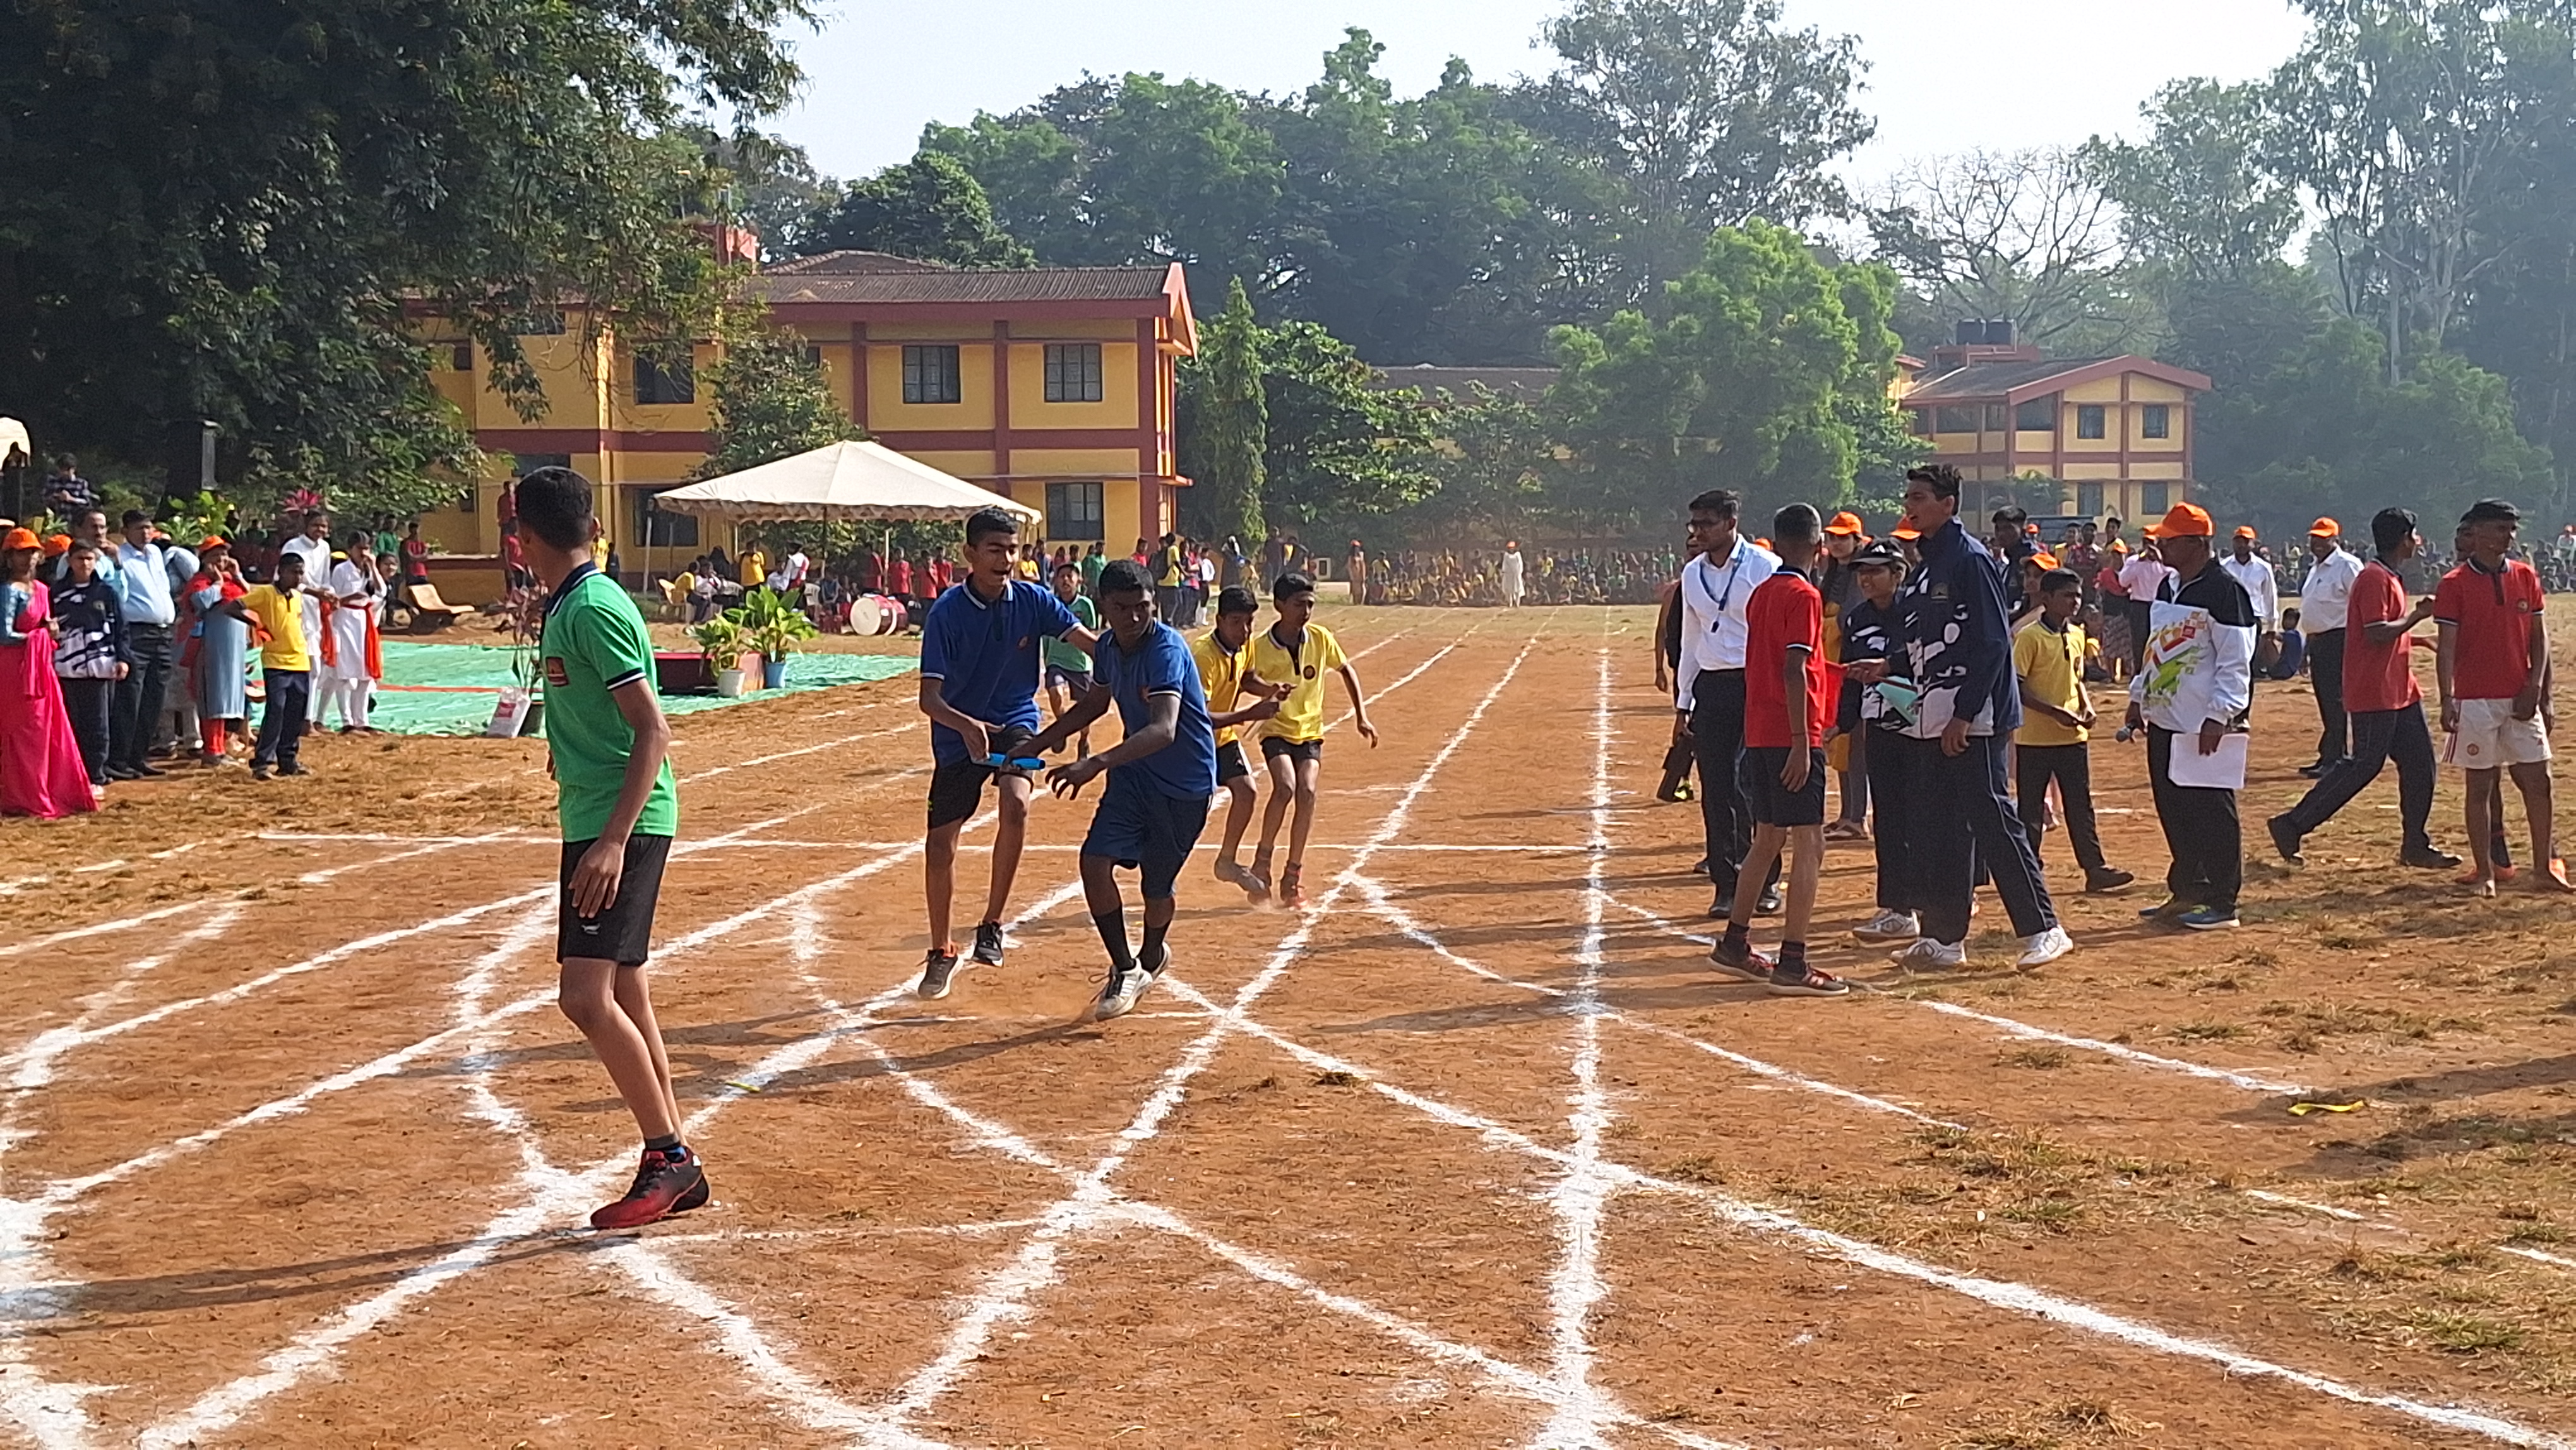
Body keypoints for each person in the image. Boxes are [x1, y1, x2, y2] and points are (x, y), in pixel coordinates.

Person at [509, 465, 702, 1230]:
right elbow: (601, 710)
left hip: (617, 823)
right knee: (626, 992)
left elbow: (653, 728)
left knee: (583, 996)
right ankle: (679, 1154)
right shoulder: (571, 605)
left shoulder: (589, 609)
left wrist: (613, 841)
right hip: (599, 815)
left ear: (524, 539)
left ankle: (666, 1155)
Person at [1869, 464, 2071, 969]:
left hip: (1972, 718)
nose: (1909, 505)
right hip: (1932, 716)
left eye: (1919, 497)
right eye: (1908, 495)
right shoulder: (1926, 564)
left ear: (1949, 504)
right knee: (1939, 825)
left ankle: (2044, 927)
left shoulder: (1969, 560)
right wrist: (1887, 666)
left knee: (1992, 819)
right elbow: (1925, 640)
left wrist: (1964, 714)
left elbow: (1991, 642)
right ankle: (1943, 937)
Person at [1023, 560, 1224, 1019]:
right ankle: (1125, 966)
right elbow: (1095, 702)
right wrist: (1035, 744)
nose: (1134, 617)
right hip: (1135, 778)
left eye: (1143, 607)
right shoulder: (1110, 647)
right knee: (1093, 862)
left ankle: (1152, 955)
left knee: (1158, 889)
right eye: (1122, 608)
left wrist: (1094, 762)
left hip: (1183, 785)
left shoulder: (1166, 649)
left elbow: (1164, 729)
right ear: (1104, 609)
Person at [914, 507, 1097, 998]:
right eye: (995, 550)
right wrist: (965, 724)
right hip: (958, 730)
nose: (1007, 560)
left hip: (1017, 721)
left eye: (1013, 550)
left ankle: (992, 924)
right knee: (940, 844)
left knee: (1016, 804)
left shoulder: (1035, 601)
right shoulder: (947, 614)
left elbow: (1091, 644)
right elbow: (929, 699)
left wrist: (1139, 658)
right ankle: (940, 950)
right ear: (970, 555)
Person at [1705, 505, 1849, 997]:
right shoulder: (1803, 595)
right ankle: (1793, 960)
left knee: (1767, 839)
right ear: (1816, 547)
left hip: (1761, 727)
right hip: (1791, 732)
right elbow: (1793, 669)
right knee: (1809, 841)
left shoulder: (1763, 592)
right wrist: (1799, 743)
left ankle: (1735, 943)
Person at [2267, 508, 2457, 871]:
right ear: (2404, 539)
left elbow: (2380, 632)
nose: (2418, 543)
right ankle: (2292, 824)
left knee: (2419, 765)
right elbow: (2375, 632)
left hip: (2399, 689)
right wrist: (2416, 617)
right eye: (2414, 536)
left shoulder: (2385, 576)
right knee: (2362, 766)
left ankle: (2415, 843)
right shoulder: (2373, 578)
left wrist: (2416, 639)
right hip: (2376, 691)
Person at [2126, 502, 2260, 930]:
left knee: (2212, 810)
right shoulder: (2167, 587)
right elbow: (2154, 647)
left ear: (2197, 544)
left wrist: (2221, 714)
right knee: (2174, 807)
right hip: (2166, 716)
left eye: (2169, 540)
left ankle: (2223, 900)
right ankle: (2188, 890)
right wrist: (2137, 697)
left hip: (2203, 722)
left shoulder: (2225, 591)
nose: (2160, 546)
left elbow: (2236, 660)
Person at [2435, 498, 2567, 895]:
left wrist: (2538, 688)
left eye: (2511, 529)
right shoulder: (2454, 585)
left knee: (2539, 780)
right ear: (2476, 533)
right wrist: (2447, 697)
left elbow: (2538, 637)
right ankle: (2486, 870)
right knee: (2480, 788)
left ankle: (2543, 867)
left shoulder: (2526, 576)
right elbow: (2446, 647)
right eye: (2499, 529)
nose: (2507, 537)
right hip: (2476, 699)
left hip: (2519, 697)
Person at [1676, 490, 1783, 917]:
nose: (1698, 532)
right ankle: (1726, 883)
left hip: (1755, 683)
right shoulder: (1691, 575)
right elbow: (1691, 639)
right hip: (1712, 686)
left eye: (1706, 524)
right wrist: (1683, 701)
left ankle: (1765, 881)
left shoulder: (1764, 568)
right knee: (1715, 787)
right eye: (1694, 524)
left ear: (1730, 522)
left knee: (1752, 785)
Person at [1247, 571, 1377, 908]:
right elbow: (1247, 680)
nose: (1306, 611)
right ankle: (1262, 861)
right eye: (1298, 604)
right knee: (1285, 787)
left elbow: (1345, 669)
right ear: (1279, 605)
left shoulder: (1319, 638)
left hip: (1310, 732)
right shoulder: (1260, 646)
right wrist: (1268, 692)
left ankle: (1293, 876)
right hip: (1277, 729)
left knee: (1307, 791)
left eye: (1310, 604)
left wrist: (1361, 716)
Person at [2013, 567, 2134, 894]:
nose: (2074, 602)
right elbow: (2017, 688)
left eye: (2077, 596)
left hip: (2071, 736)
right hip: (2035, 738)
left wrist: (2086, 706)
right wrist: (2054, 712)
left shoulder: (2076, 634)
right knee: (2031, 808)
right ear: (2047, 599)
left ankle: (2095, 868)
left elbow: (2076, 678)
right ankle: (2027, 867)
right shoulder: (2030, 638)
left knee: (2080, 805)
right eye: (2067, 596)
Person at [1838, 541, 1923, 944]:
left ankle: (1935, 898)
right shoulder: (1855, 620)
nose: (1867, 579)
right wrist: (1842, 722)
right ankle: (1896, 909)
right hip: (1881, 728)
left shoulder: (1920, 612)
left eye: (1876, 570)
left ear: (1898, 572)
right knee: (1888, 818)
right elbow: (1852, 676)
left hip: (1925, 726)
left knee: (1926, 814)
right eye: (1861, 572)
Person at [1195, 584, 1289, 897]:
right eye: (1236, 622)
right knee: (1189, 811)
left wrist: (1270, 689)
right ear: (1219, 620)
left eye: (1249, 622)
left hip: (1222, 737)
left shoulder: (1243, 647)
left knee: (1247, 792)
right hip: (1194, 742)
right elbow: (1201, 718)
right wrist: (1251, 712)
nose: (1245, 630)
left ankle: (1227, 860)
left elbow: (1246, 679)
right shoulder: (1204, 658)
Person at [0, 529, 99, 819]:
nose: (28, 558)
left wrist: (48, 632)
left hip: (40, 668)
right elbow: (5, 635)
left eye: (32, 552)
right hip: (16, 670)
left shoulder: (43, 590)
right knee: (26, 733)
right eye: (21, 553)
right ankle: (25, 794)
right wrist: (42, 634)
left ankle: (44, 788)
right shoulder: (9, 591)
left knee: (48, 730)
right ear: (10, 558)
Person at [225, 551, 316, 781]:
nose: (298, 577)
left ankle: (288, 760)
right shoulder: (265, 594)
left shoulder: (297, 597)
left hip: (300, 661)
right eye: (293, 572)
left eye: (301, 573)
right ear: (281, 571)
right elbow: (232, 607)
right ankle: (262, 762)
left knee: (295, 714)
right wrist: (256, 624)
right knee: (276, 710)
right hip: (276, 661)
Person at [51, 540, 128, 802]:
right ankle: (72, 773)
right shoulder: (56, 593)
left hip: (100, 666)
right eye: (80, 559)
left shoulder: (106, 592)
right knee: (71, 722)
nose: (84, 564)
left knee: (98, 724)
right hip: (65, 667)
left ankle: (96, 775)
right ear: (69, 561)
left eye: (90, 559)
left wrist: (123, 658)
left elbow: (120, 628)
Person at [105, 510, 178, 780]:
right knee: (130, 698)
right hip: (136, 633)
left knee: (154, 699)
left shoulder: (156, 554)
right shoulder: (120, 556)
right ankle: (120, 758)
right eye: (139, 529)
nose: (145, 533)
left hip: (162, 633)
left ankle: (139, 757)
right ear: (125, 531)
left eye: (148, 528)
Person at [2298, 517, 2364, 777]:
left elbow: (2361, 601)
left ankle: (2336, 758)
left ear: (2336, 539)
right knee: (2325, 700)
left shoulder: (2347, 566)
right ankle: (2329, 754)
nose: (2318, 543)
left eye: (2324, 539)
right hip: (2318, 640)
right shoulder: (2316, 568)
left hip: (2340, 639)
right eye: (2314, 538)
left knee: (2336, 700)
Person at [186, 541, 252, 765]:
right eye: (216, 556)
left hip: (233, 650)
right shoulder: (201, 582)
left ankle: (220, 748)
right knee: (212, 697)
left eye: (224, 556)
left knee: (226, 699)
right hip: (211, 647)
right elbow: (202, 603)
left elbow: (248, 598)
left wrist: (237, 575)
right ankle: (212, 751)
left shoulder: (231, 580)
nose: (221, 561)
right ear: (204, 559)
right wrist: (218, 582)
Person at [319, 538, 385, 733]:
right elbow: (333, 598)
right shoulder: (341, 571)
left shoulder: (367, 570)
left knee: (365, 674)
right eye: (360, 548)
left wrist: (373, 567)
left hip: (364, 621)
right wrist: (350, 598)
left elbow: (381, 591)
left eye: (367, 548)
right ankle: (346, 720)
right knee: (344, 672)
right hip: (345, 618)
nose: (363, 552)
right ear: (350, 549)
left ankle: (361, 720)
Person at [1042, 561, 1101, 758]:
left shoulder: (1086, 605)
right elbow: (1044, 635)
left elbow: (1091, 634)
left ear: (1079, 580)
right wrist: (1047, 658)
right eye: (1062, 576)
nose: (1066, 580)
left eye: (1070, 576)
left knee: (1085, 710)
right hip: (1056, 660)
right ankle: (1062, 727)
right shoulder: (1050, 604)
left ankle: (1084, 740)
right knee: (1055, 693)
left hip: (1080, 663)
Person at [2221, 527, 2283, 664]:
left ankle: (2248, 686)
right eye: (2238, 541)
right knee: (2230, 659)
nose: (2241, 545)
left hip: (2253, 618)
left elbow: (2270, 596)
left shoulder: (2263, 567)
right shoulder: (2224, 567)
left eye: (2245, 541)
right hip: (2229, 618)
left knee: (2249, 661)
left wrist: (2272, 626)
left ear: (2253, 543)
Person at [1500, 541, 1527, 608]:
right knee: (1508, 589)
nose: (1511, 549)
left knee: (1517, 588)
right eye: (1510, 548)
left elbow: (1520, 564)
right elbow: (1505, 564)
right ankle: (1510, 602)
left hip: (1516, 574)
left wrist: (1520, 572)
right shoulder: (1506, 555)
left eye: (1512, 548)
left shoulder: (1518, 554)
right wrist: (1505, 571)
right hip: (1508, 574)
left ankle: (1517, 603)